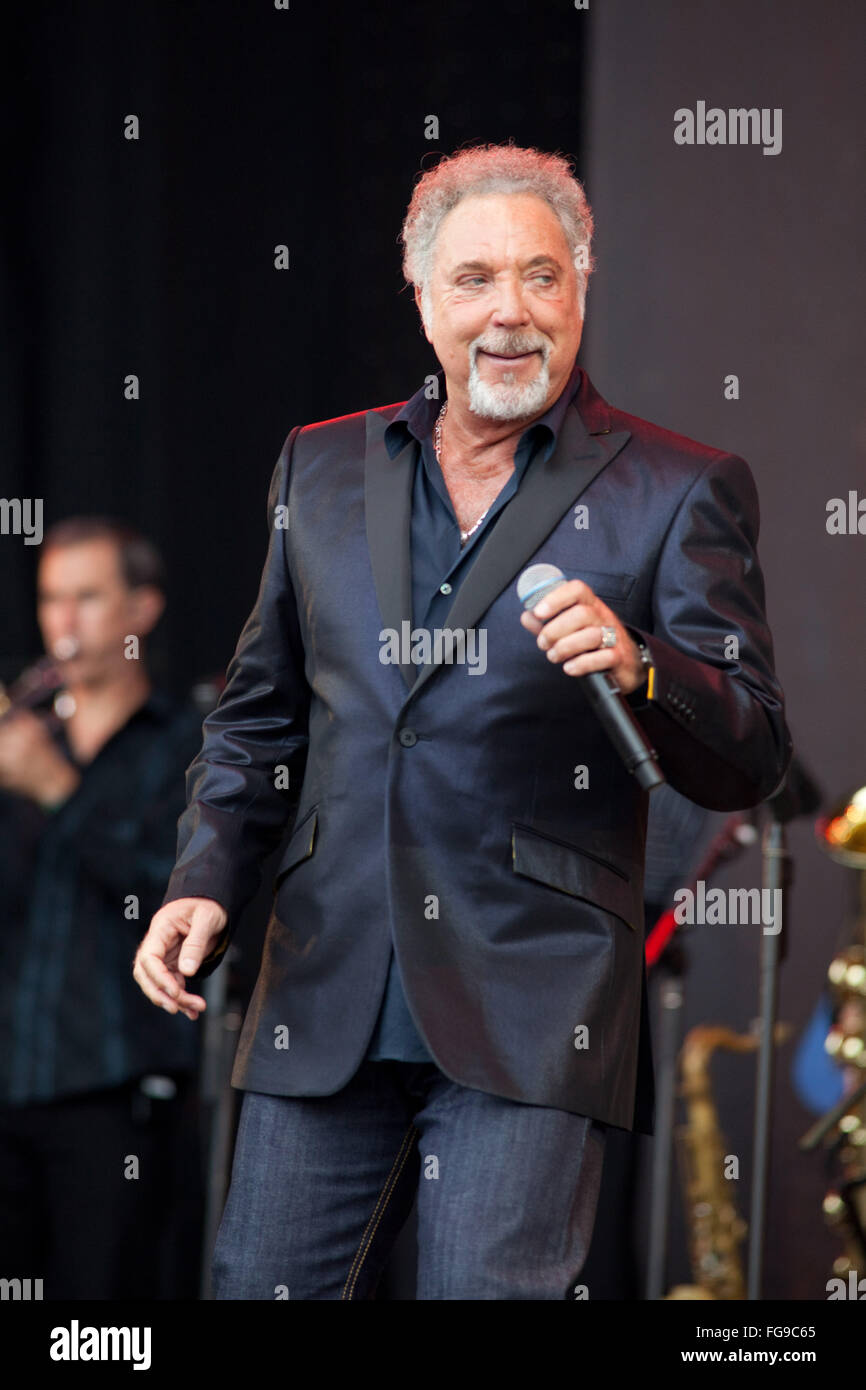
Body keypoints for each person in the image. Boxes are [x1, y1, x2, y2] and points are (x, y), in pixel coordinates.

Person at [133, 143, 792, 1300]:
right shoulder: (321, 465)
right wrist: (204, 879)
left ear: (581, 286)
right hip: (323, 982)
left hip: (532, 1002)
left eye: (541, 278)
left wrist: (645, 666)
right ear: (421, 288)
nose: (510, 313)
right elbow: (258, 717)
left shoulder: (678, 485)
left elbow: (751, 749)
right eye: (476, 278)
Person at [0, 518, 204, 1299]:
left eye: (88, 597)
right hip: (11, 1079)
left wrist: (56, 790)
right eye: (53, 598)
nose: (64, 623)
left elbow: (168, 894)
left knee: (101, 1324)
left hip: (115, 1090)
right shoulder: (22, 731)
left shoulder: (187, 743)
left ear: (141, 612)